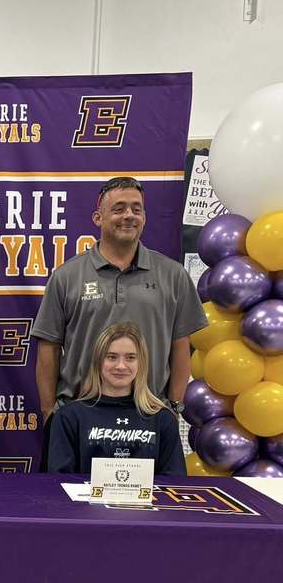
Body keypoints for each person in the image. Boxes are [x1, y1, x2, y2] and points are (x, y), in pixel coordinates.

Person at [33, 176, 207, 466]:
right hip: (78, 418)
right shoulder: (66, 276)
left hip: (148, 418)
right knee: (66, 495)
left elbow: (181, 345)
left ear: (145, 217)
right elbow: (48, 347)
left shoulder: (173, 275)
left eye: (137, 209)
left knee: (152, 497)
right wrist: (50, 411)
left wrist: (174, 406)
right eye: (119, 208)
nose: (129, 215)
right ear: (98, 217)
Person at [47, 322, 186, 475]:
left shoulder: (162, 419)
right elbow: (58, 481)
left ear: (141, 363)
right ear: (98, 361)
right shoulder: (69, 417)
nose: (121, 366)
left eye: (130, 358)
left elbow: (175, 481)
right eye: (111, 357)